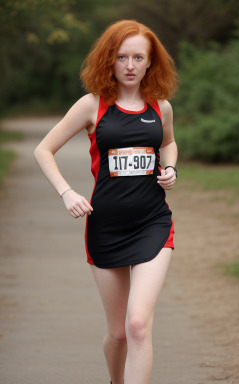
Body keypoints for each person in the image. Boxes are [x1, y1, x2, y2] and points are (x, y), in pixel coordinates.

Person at [34, 19, 178, 384]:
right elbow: (43, 149)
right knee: (117, 335)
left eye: (138, 57)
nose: (129, 65)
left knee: (137, 325)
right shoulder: (92, 106)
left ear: (150, 62)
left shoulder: (161, 107)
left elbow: (168, 144)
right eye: (121, 57)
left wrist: (171, 168)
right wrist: (67, 192)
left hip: (153, 224)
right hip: (106, 228)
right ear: (109, 60)